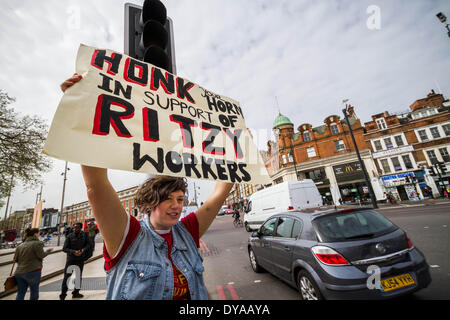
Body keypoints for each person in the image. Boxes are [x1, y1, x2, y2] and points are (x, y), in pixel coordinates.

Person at [61, 73, 234, 300]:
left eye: (180, 199)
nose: (176, 206)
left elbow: (221, 190)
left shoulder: (187, 232)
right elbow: (95, 183)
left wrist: (236, 146)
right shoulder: (128, 235)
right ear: (150, 202)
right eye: (168, 199)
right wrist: (82, 108)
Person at [13, 228, 53, 300]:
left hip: (19, 272)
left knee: (20, 293)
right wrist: (48, 251)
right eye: (38, 233)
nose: (39, 235)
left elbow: (15, 259)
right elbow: (41, 255)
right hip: (33, 271)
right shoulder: (37, 243)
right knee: (34, 292)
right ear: (35, 234)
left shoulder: (20, 245)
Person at [59, 222, 90, 300]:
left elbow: (88, 244)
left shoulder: (84, 235)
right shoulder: (69, 236)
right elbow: (64, 248)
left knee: (78, 276)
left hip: (80, 259)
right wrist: (74, 252)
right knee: (67, 277)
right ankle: (63, 294)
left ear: (81, 228)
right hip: (71, 259)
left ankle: (76, 293)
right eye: (74, 228)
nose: (75, 229)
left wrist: (83, 250)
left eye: (77, 227)